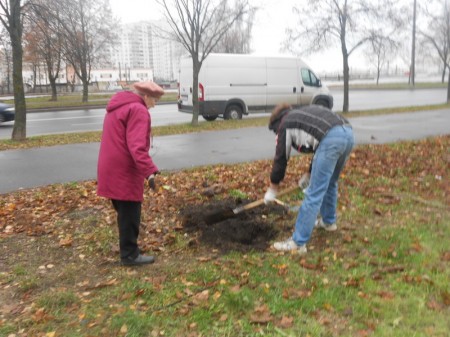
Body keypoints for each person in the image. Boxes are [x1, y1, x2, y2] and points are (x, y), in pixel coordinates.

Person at [264, 103, 354, 254]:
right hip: (347, 133)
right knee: (331, 182)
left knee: (314, 192)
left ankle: (298, 243)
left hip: (331, 138)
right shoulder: (302, 114)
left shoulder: (285, 124)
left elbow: (281, 157)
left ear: (276, 124)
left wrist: (273, 188)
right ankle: (328, 222)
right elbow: (320, 142)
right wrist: (309, 174)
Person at [97, 81, 164, 266]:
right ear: (145, 96)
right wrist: (150, 171)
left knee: (124, 213)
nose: (154, 105)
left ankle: (128, 251)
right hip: (124, 168)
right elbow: (137, 147)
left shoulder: (119, 105)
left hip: (110, 166)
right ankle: (129, 256)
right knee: (130, 214)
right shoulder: (138, 110)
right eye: (154, 100)